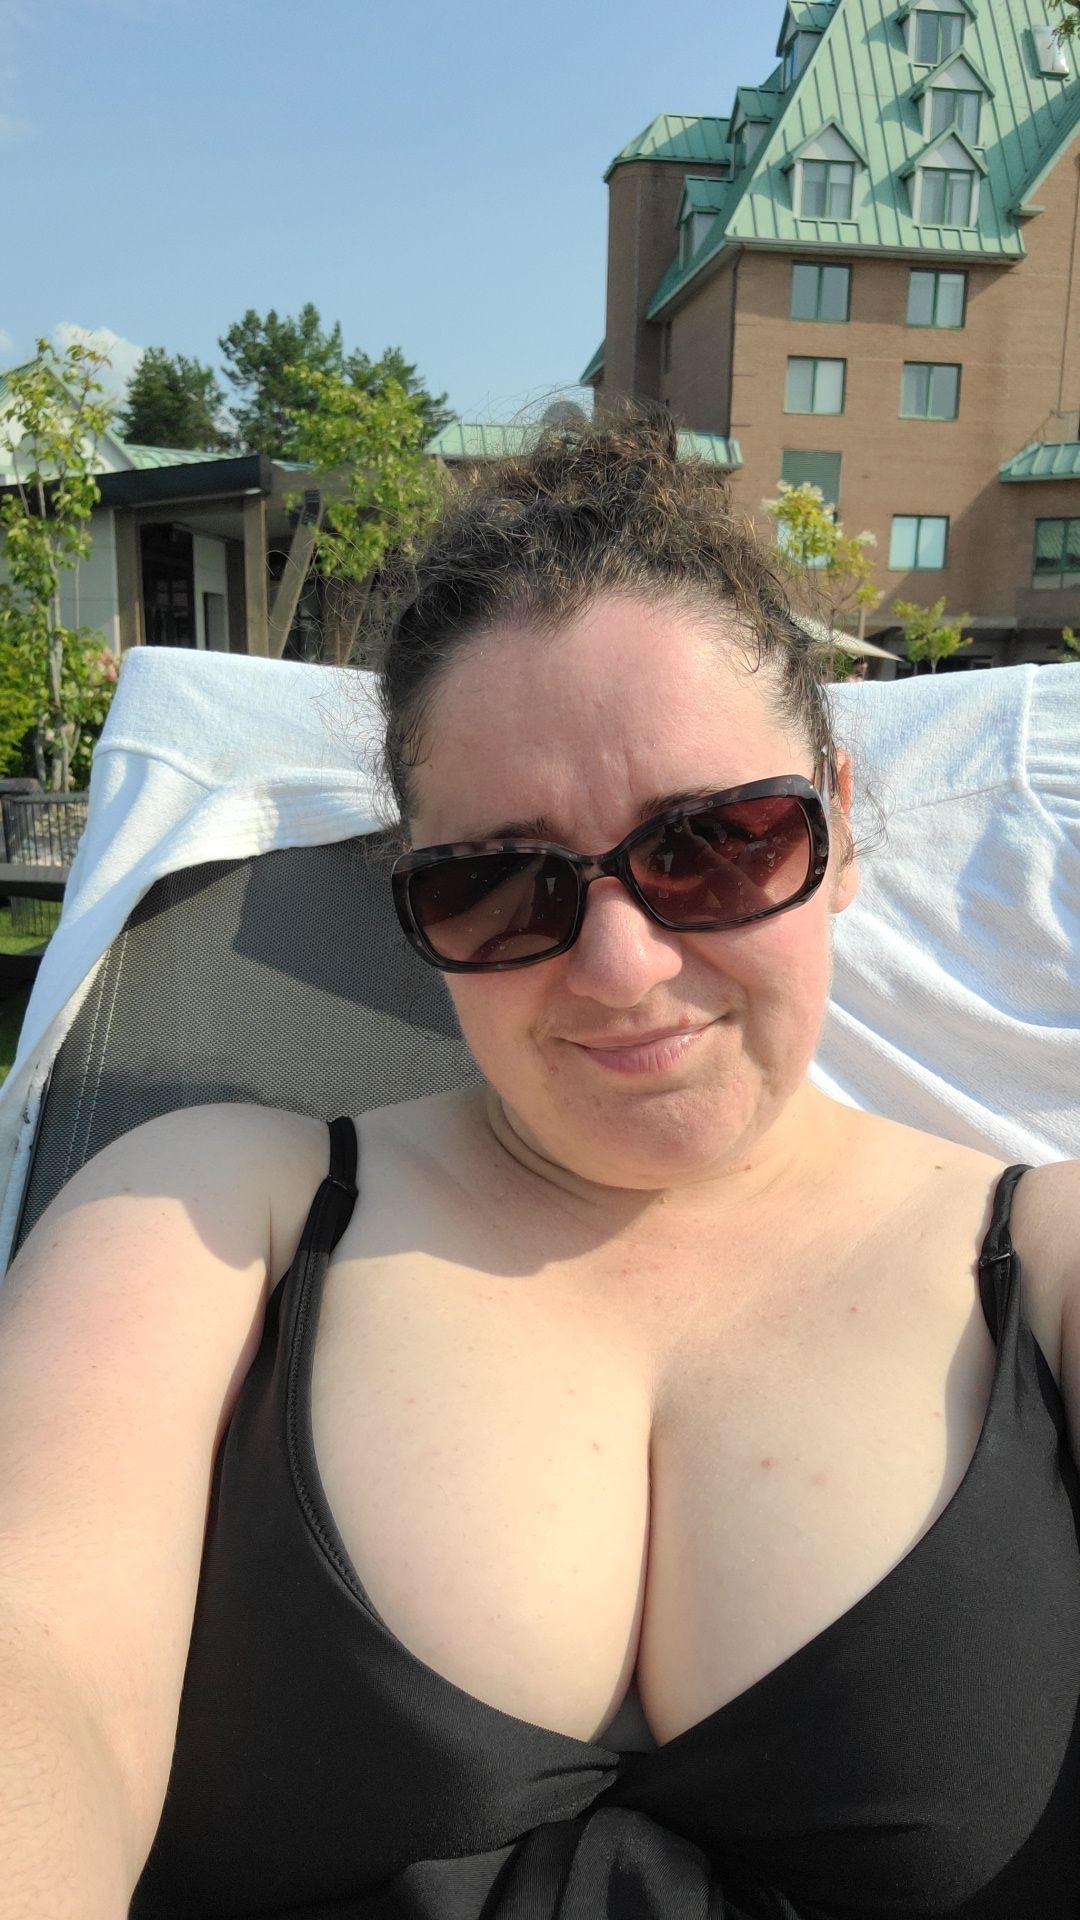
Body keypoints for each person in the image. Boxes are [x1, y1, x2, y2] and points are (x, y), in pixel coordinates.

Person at [2, 408, 1080, 1919]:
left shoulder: (1052, 1261)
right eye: (502, 882)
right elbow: (38, 1667)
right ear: (412, 899)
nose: (623, 967)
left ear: (837, 829)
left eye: (714, 844)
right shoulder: (208, 1213)